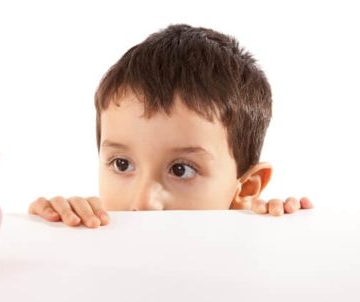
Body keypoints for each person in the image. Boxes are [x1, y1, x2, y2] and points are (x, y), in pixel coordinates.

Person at [28, 23, 313, 228]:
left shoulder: (259, 250)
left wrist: (283, 230)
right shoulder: (90, 237)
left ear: (247, 189)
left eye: (181, 169)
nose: (144, 203)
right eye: (122, 164)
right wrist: (48, 232)